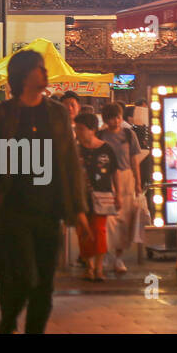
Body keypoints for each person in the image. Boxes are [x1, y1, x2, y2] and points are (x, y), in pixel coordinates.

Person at [0, 48, 88, 334]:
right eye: (39, 68)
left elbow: (70, 163)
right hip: (12, 209)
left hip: (49, 210)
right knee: (24, 275)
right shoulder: (1, 114)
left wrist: (78, 209)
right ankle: (8, 320)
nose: (45, 73)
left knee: (45, 283)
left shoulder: (58, 113)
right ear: (24, 75)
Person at [74, 112, 120, 282]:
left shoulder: (106, 148)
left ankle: (99, 267)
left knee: (99, 231)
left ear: (92, 129)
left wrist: (119, 194)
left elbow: (114, 172)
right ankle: (89, 266)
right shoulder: (74, 149)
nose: (78, 132)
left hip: (103, 195)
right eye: (76, 128)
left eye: (81, 129)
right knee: (83, 232)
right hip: (80, 196)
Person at [98, 102, 142, 276]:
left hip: (126, 178)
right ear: (105, 119)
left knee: (125, 220)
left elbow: (134, 161)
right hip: (106, 180)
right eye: (111, 117)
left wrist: (138, 183)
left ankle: (118, 257)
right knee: (107, 219)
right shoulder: (100, 135)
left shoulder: (129, 135)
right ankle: (107, 253)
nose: (115, 121)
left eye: (117, 117)